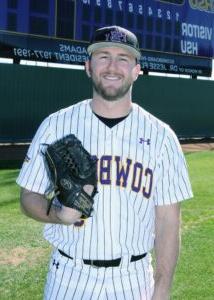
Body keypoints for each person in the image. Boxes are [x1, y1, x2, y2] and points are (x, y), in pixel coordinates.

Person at [16, 26, 193, 300]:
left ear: (136, 70)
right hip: (69, 275)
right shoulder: (55, 125)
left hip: (133, 280)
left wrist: (163, 286)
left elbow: (168, 220)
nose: (113, 66)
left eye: (123, 58)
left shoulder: (161, 137)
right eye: (103, 56)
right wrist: (55, 213)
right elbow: (28, 195)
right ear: (88, 66)